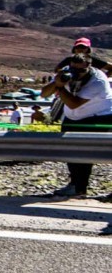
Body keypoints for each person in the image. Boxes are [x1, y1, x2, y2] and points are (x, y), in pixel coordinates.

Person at [40, 53, 112, 198]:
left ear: (89, 66)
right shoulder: (67, 74)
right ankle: (75, 185)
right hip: (73, 117)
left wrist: (59, 88)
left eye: (81, 71)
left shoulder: (97, 81)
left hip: (97, 117)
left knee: (86, 152)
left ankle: (80, 187)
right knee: (70, 150)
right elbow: (44, 94)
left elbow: (74, 103)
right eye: (74, 70)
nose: (77, 74)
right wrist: (57, 82)